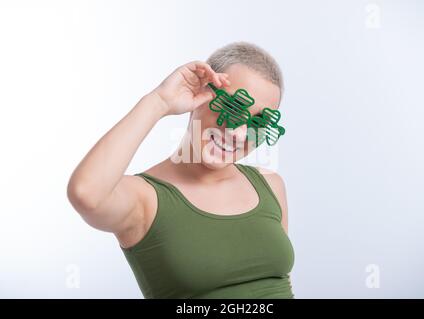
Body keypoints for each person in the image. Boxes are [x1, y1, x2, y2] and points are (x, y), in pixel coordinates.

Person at [67, 42, 295, 298]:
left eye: (259, 122)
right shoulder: (146, 199)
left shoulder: (270, 185)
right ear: (199, 93)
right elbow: (86, 193)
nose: (239, 134)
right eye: (232, 109)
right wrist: (159, 101)